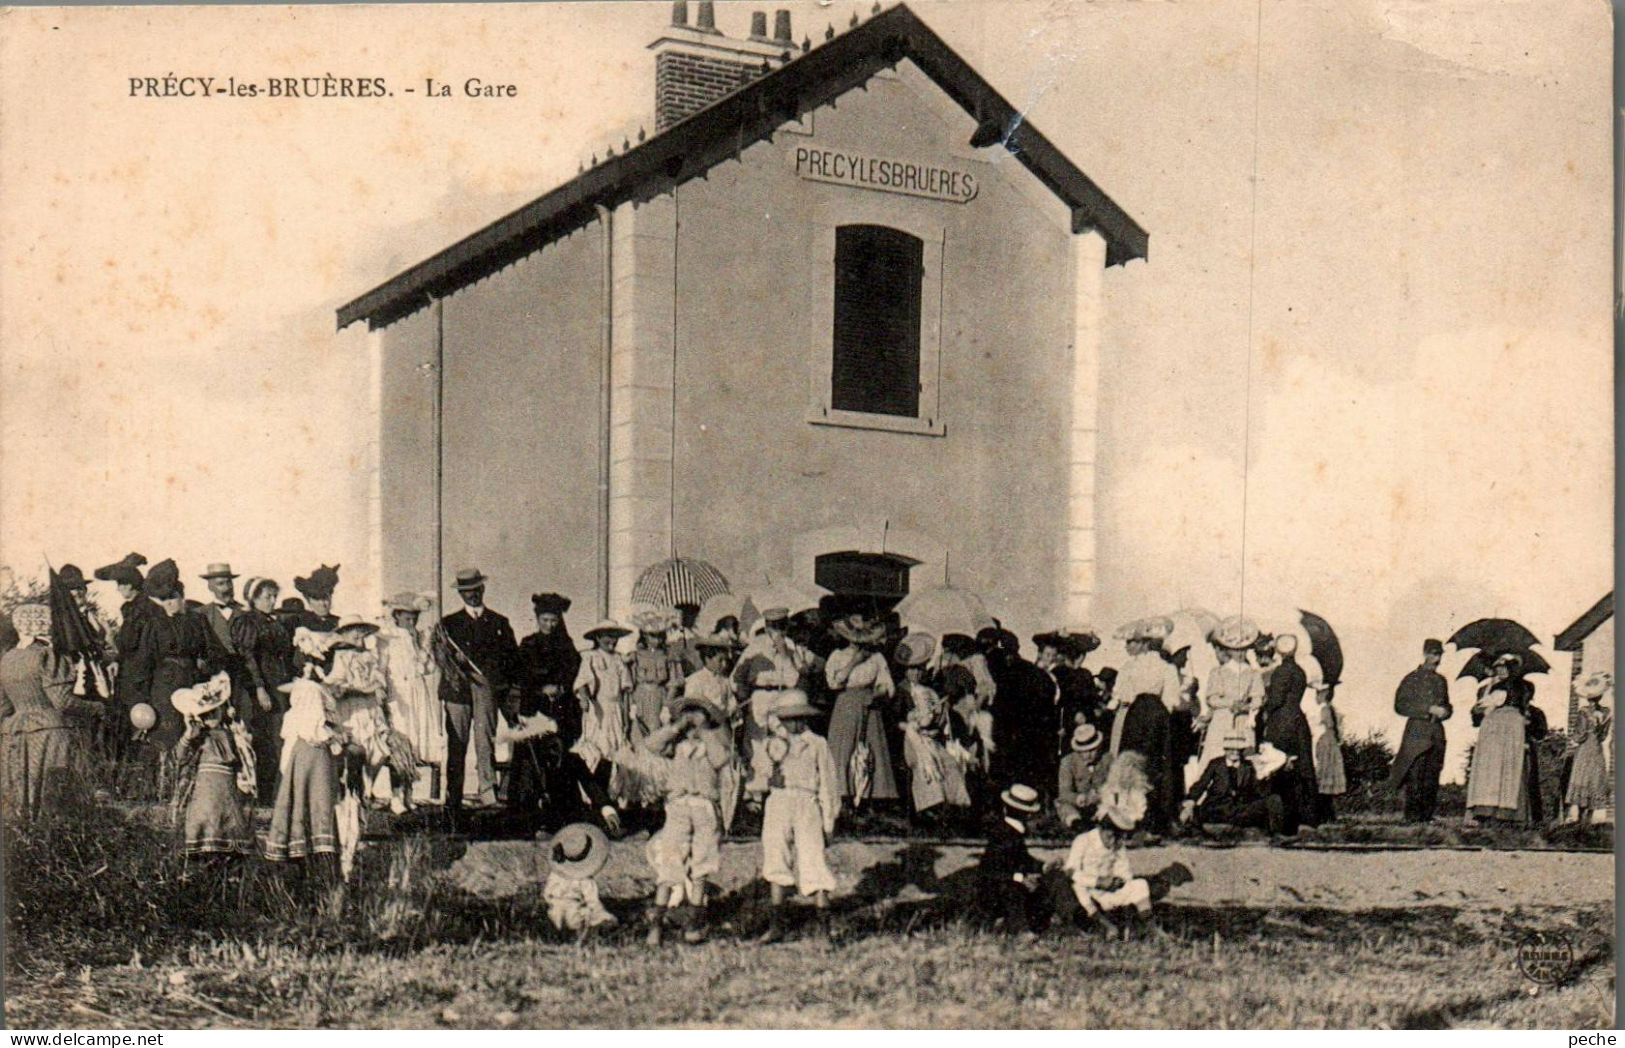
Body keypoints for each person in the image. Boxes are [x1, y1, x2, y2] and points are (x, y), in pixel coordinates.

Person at [621, 699, 732, 945]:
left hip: (705, 807)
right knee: (670, 862)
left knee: (702, 864)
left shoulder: (714, 741)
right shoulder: (676, 745)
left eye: (697, 718)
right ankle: (656, 926)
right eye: (688, 719)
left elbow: (720, 759)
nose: (692, 725)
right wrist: (677, 726)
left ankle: (693, 924)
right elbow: (650, 745)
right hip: (678, 806)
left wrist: (704, 730)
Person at [756, 691, 840, 943]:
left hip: (807, 802)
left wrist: (828, 821)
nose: (794, 724)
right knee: (776, 857)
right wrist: (767, 777)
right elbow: (757, 778)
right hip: (779, 801)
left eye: (799, 718)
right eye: (788, 719)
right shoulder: (771, 744)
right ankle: (776, 925)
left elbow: (828, 784)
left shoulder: (816, 744)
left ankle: (824, 927)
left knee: (813, 858)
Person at [435, 568, 519, 819]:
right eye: (466, 591)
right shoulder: (447, 624)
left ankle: (487, 792)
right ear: (460, 593)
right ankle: (454, 796)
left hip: (487, 688)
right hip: (457, 692)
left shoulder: (499, 622)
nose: (471, 595)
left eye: (475, 590)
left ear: (483, 589)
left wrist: (494, 680)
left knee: (485, 740)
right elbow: (441, 658)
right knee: (457, 743)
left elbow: (511, 657)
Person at [1, 603, 98, 821]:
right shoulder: (48, 655)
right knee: (53, 800)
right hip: (50, 733)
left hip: (14, 734)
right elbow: (62, 701)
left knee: (20, 799)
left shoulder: (6, 659)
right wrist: (96, 708)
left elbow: (3, 707)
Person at [263, 674, 341, 875]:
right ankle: (317, 851)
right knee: (317, 802)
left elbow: (285, 760)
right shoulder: (312, 726)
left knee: (303, 801)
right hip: (313, 762)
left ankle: (300, 846)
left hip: (305, 763)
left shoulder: (296, 723)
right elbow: (318, 736)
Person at [171, 677, 256, 859]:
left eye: (214, 712)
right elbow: (179, 758)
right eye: (205, 715)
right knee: (205, 836)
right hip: (205, 795)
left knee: (230, 837)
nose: (210, 718)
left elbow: (245, 760)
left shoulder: (231, 734)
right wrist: (188, 736)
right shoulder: (197, 736)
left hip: (228, 793)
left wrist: (242, 738)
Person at [1110, 618, 1181, 833]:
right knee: (1159, 765)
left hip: (1136, 713)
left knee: (1132, 762)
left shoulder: (1130, 666)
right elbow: (1172, 701)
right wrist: (1161, 715)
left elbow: (1121, 695)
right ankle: (1158, 817)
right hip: (1158, 715)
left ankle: (1129, 815)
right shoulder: (1168, 668)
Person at [375, 592, 446, 806]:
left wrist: (424, 646)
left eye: (414, 618)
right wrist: (381, 691)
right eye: (407, 618)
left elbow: (428, 669)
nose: (411, 622)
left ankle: (408, 795)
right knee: (400, 746)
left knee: (415, 745)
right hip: (398, 697)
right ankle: (397, 796)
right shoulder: (386, 638)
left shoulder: (417, 638)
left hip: (417, 696)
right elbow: (380, 669)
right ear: (396, 616)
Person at [733, 609, 812, 798]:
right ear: (767, 626)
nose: (778, 631)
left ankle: (780, 786)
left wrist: (785, 653)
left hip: (783, 696)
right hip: (760, 696)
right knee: (757, 741)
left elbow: (795, 678)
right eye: (773, 626)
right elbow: (737, 676)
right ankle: (756, 792)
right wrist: (742, 693)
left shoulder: (791, 647)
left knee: (783, 738)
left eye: (781, 626)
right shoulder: (755, 646)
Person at [231, 577, 295, 803]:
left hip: (278, 685)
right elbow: (247, 657)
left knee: (278, 738)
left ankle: (276, 795)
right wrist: (259, 687)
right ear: (254, 597)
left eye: (273, 596)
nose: (272, 600)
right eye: (267, 596)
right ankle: (257, 796)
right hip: (259, 685)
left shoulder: (274, 623)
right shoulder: (247, 622)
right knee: (260, 738)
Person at [895, 633, 971, 820]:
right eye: (912, 669)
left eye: (920, 669)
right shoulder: (902, 691)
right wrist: (912, 726)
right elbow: (895, 721)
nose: (916, 673)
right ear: (906, 670)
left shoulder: (929, 691)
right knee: (925, 764)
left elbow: (938, 719)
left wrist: (936, 720)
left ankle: (954, 805)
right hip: (910, 740)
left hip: (931, 738)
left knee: (949, 763)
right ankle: (930, 808)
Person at [825, 616, 898, 809]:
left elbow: (886, 683)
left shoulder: (876, 657)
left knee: (870, 747)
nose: (857, 641)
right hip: (846, 703)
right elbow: (834, 682)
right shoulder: (838, 656)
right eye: (854, 637)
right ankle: (843, 795)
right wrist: (854, 661)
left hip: (869, 703)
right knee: (844, 747)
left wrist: (878, 693)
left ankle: (872, 796)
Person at [1465, 653, 1540, 823]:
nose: (1501, 670)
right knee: (1490, 768)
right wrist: (1480, 704)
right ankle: (1485, 810)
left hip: (1510, 727)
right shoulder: (1487, 688)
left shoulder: (1522, 686)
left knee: (1508, 766)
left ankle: (1505, 813)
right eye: (1498, 666)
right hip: (1491, 729)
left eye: (1505, 666)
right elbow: (1478, 714)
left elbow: (1517, 702)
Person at [984, 627, 1058, 798]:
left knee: (1007, 776)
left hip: (1010, 733)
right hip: (1033, 736)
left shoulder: (1004, 672)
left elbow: (1000, 705)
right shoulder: (1038, 675)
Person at [680, 634, 745, 832]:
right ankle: (704, 823)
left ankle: (725, 823)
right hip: (704, 733)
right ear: (707, 658)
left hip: (723, 733)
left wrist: (735, 712)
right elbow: (690, 708)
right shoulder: (695, 680)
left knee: (728, 776)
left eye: (726, 660)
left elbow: (731, 706)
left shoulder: (725, 682)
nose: (724, 663)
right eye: (719, 659)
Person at [1385, 638, 1453, 823]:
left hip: (1436, 731)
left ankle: (1427, 816)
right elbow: (1400, 706)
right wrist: (1427, 709)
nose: (1436, 658)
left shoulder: (1441, 681)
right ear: (1424, 654)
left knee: (1432, 774)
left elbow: (1448, 705)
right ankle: (1413, 817)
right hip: (1416, 731)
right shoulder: (1412, 679)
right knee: (1415, 773)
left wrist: (1446, 712)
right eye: (1433, 654)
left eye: (1439, 654)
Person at [1255, 634, 1316, 832]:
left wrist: (1264, 705)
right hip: (1298, 720)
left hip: (1281, 722)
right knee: (1300, 768)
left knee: (1278, 765)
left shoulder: (1281, 671)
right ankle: (1306, 815)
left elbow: (1276, 700)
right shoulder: (1300, 671)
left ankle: (1280, 818)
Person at [95, 553, 152, 765]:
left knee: (133, 724)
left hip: (136, 676)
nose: (118, 589)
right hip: (133, 673)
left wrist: (112, 639)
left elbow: (131, 643)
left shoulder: (137, 609)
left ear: (129, 585)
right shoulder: (137, 607)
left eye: (120, 584)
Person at [1060, 806, 1153, 932]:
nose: (1113, 841)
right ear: (1102, 828)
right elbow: (1070, 871)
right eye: (1110, 836)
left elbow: (1125, 872)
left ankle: (1149, 925)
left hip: (1110, 890)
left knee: (1140, 884)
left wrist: (1117, 881)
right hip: (1089, 891)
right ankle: (1105, 925)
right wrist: (1097, 882)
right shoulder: (1083, 840)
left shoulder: (1118, 845)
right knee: (1078, 887)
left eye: (1118, 836)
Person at [574, 619, 634, 811]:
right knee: (595, 751)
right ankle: (593, 799)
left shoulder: (618, 660)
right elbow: (582, 682)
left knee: (615, 751)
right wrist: (584, 698)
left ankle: (611, 799)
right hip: (597, 708)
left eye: (614, 637)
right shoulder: (590, 657)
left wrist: (626, 717)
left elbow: (625, 691)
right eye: (607, 636)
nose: (611, 641)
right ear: (598, 637)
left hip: (615, 710)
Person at [974, 783, 1046, 934]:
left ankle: (1038, 925)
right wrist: (1021, 878)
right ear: (1028, 815)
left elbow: (1022, 859)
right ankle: (1021, 929)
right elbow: (992, 870)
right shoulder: (1003, 833)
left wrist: (1042, 866)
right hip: (994, 890)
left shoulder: (1011, 831)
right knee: (1012, 889)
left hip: (1003, 883)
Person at [1181, 733, 1287, 836]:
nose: (1235, 752)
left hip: (1238, 810)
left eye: (1238, 749)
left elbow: (1258, 791)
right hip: (1217, 808)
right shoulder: (1216, 764)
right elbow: (1201, 784)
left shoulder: (1248, 766)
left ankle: (1276, 835)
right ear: (1225, 749)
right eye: (1231, 749)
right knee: (1193, 813)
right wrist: (1191, 800)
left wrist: (1263, 774)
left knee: (1274, 799)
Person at [1198, 617, 1265, 768]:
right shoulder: (1218, 672)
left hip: (1243, 720)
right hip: (1222, 719)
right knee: (1217, 756)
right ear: (1228, 649)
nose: (1240, 653)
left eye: (1244, 649)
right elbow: (1212, 699)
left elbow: (1258, 699)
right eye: (1236, 649)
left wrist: (1247, 707)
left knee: (1244, 759)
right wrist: (1230, 703)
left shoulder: (1253, 673)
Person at [542, 822, 617, 937]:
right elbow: (593, 901)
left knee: (560, 912)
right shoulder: (584, 879)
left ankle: (559, 930)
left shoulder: (556, 874)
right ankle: (584, 934)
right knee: (605, 918)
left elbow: (547, 894)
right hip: (575, 914)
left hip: (554, 913)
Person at [1565, 671, 1612, 825]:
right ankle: (1589, 819)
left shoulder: (1584, 712)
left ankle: (1577, 818)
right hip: (1596, 748)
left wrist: (1573, 740)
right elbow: (1603, 736)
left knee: (1581, 778)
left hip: (1585, 748)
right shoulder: (1606, 712)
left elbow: (1580, 734)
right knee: (1594, 779)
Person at [1056, 722, 1109, 829]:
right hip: (1078, 805)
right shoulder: (1067, 762)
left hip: (1101, 803)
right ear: (1078, 751)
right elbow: (1064, 792)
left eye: (1092, 750)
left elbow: (1115, 786)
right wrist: (1077, 798)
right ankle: (1077, 824)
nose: (1088, 755)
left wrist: (1101, 794)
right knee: (1063, 805)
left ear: (1099, 747)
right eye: (1084, 751)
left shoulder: (1108, 759)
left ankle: (1103, 822)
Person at [1310, 681, 1346, 822]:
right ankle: (1328, 814)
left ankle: (1324, 815)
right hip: (1329, 742)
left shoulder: (1324, 710)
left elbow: (1328, 725)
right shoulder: (1331, 709)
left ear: (1322, 695)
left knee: (1322, 777)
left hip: (1325, 743)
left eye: (1317, 694)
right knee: (1326, 780)